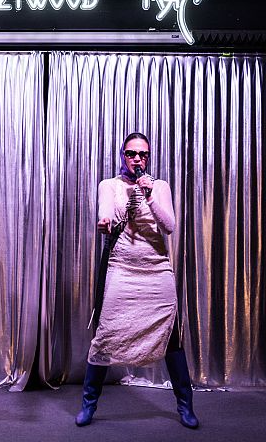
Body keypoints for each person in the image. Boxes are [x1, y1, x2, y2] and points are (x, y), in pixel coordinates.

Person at [75, 132, 199, 429]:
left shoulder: (160, 186)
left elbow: (169, 226)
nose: (137, 159)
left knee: (171, 336)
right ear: (123, 156)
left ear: (148, 157)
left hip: (157, 271)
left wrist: (150, 194)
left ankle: (185, 406)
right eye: (131, 153)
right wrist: (104, 222)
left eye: (143, 154)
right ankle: (88, 405)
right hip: (122, 269)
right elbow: (106, 212)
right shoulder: (109, 185)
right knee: (105, 336)